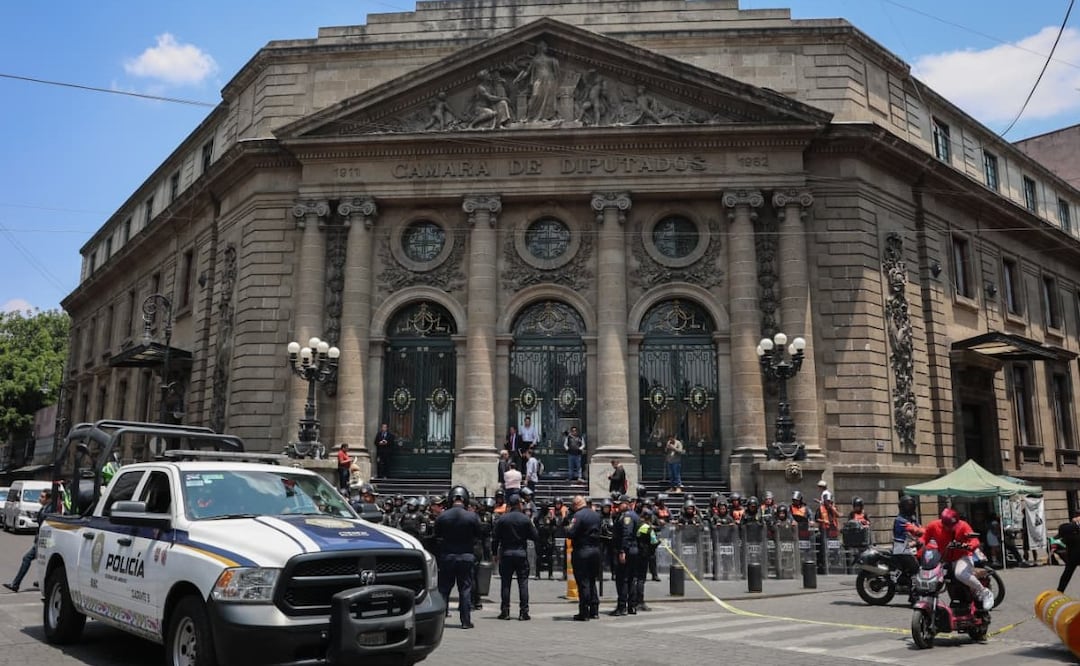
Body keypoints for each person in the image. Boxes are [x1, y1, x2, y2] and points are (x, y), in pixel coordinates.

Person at [922, 508, 995, 611]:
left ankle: (984, 592)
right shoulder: (933, 525)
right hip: (944, 558)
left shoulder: (963, 525)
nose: (950, 528)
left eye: (952, 525)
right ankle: (930, 599)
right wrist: (918, 543)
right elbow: (924, 537)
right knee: (932, 575)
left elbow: (974, 540)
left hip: (963, 556)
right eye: (947, 525)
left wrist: (968, 546)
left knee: (960, 573)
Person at [434, 486, 482, 629]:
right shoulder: (472, 516)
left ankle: (440, 620)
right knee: (465, 589)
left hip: (447, 556)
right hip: (466, 556)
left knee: (444, 590)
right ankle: (465, 621)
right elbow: (478, 535)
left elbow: (437, 535)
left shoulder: (442, 516)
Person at [492, 494, 539, 620]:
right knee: (523, 583)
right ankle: (524, 612)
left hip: (506, 553)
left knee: (505, 583)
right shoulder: (525, 519)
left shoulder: (502, 519)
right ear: (519, 504)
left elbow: (495, 538)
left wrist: (494, 553)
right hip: (521, 553)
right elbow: (535, 536)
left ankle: (505, 611)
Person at [4, 490, 51, 592]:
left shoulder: (49, 510)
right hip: (40, 539)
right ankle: (40, 581)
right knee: (39, 560)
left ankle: (16, 584)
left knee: (31, 559)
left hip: (44, 540)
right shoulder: (45, 508)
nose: (40, 498)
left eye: (42, 497)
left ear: (48, 499)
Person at [565, 494, 602, 621]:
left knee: (583, 582)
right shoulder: (596, 515)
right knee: (592, 581)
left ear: (576, 504)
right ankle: (594, 610)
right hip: (595, 551)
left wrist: (567, 526)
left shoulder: (578, 516)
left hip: (582, 551)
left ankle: (584, 612)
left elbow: (570, 533)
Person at [513, 40, 560, 122]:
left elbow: (557, 74)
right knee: (535, 97)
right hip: (539, 81)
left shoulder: (551, 60)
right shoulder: (535, 60)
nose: (546, 48)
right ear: (540, 48)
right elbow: (527, 71)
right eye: (544, 46)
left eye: (545, 46)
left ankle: (546, 116)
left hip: (549, 81)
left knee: (548, 99)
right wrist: (518, 79)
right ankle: (530, 116)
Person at [610, 494, 641, 616]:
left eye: (620, 504)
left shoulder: (627, 516)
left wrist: (622, 551)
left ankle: (622, 607)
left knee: (622, 579)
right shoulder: (634, 515)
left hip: (627, 550)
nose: (618, 506)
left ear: (626, 504)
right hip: (634, 550)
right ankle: (632, 606)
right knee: (631, 578)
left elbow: (626, 534)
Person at [1056, 513, 1080, 592]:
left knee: (1067, 573)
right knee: (1067, 573)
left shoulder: (1069, 530)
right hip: (1074, 553)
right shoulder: (1072, 529)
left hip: (1073, 554)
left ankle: (1060, 590)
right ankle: (1060, 590)